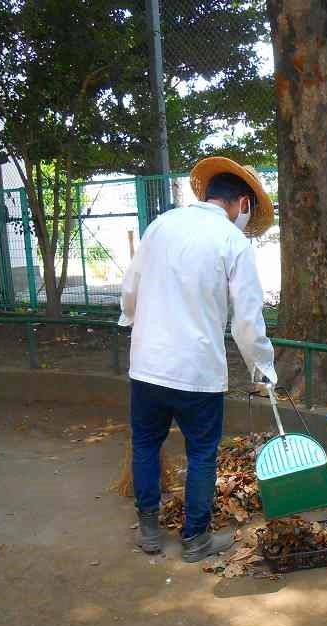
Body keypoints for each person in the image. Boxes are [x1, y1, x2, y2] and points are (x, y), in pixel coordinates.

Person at [119, 157, 277, 562]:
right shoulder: (232, 242)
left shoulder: (161, 225)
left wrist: (136, 321)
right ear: (242, 204)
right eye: (249, 213)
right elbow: (247, 319)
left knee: (146, 444)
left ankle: (150, 530)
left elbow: (131, 289)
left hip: (147, 366)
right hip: (197, 371)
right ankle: (195, 539)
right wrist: (262, 366)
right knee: (202, 452)